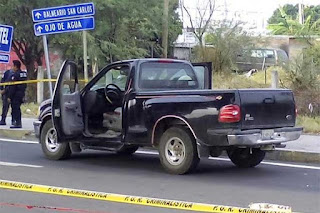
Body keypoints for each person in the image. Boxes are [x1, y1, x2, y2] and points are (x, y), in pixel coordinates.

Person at [7, 60, 27, 128]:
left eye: (13, 66)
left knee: (15, 109)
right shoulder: (24, 74)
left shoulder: (15, 75)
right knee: (17, 108)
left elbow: (13, 87)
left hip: (15, 94)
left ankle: (17, 123)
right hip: (21, 93)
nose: (12, 67)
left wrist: (9, 96)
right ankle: (17, 122)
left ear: (16, 66)